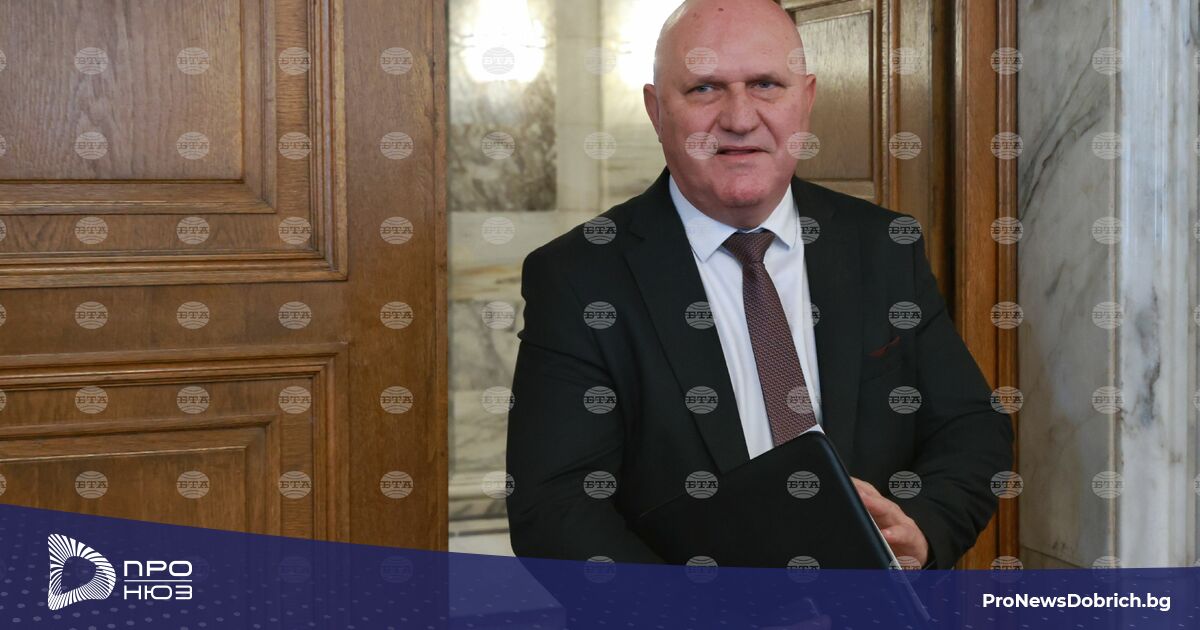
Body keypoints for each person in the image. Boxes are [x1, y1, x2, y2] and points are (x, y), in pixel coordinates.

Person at [505, 0, 1013, 569]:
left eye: (766, 84)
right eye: (704, 88)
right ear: (656, 110)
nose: (740, 118)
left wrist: (922, 529)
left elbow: (971, 428)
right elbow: (555, 507)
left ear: (807, 99)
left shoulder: (883, 244)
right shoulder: (578, 276)